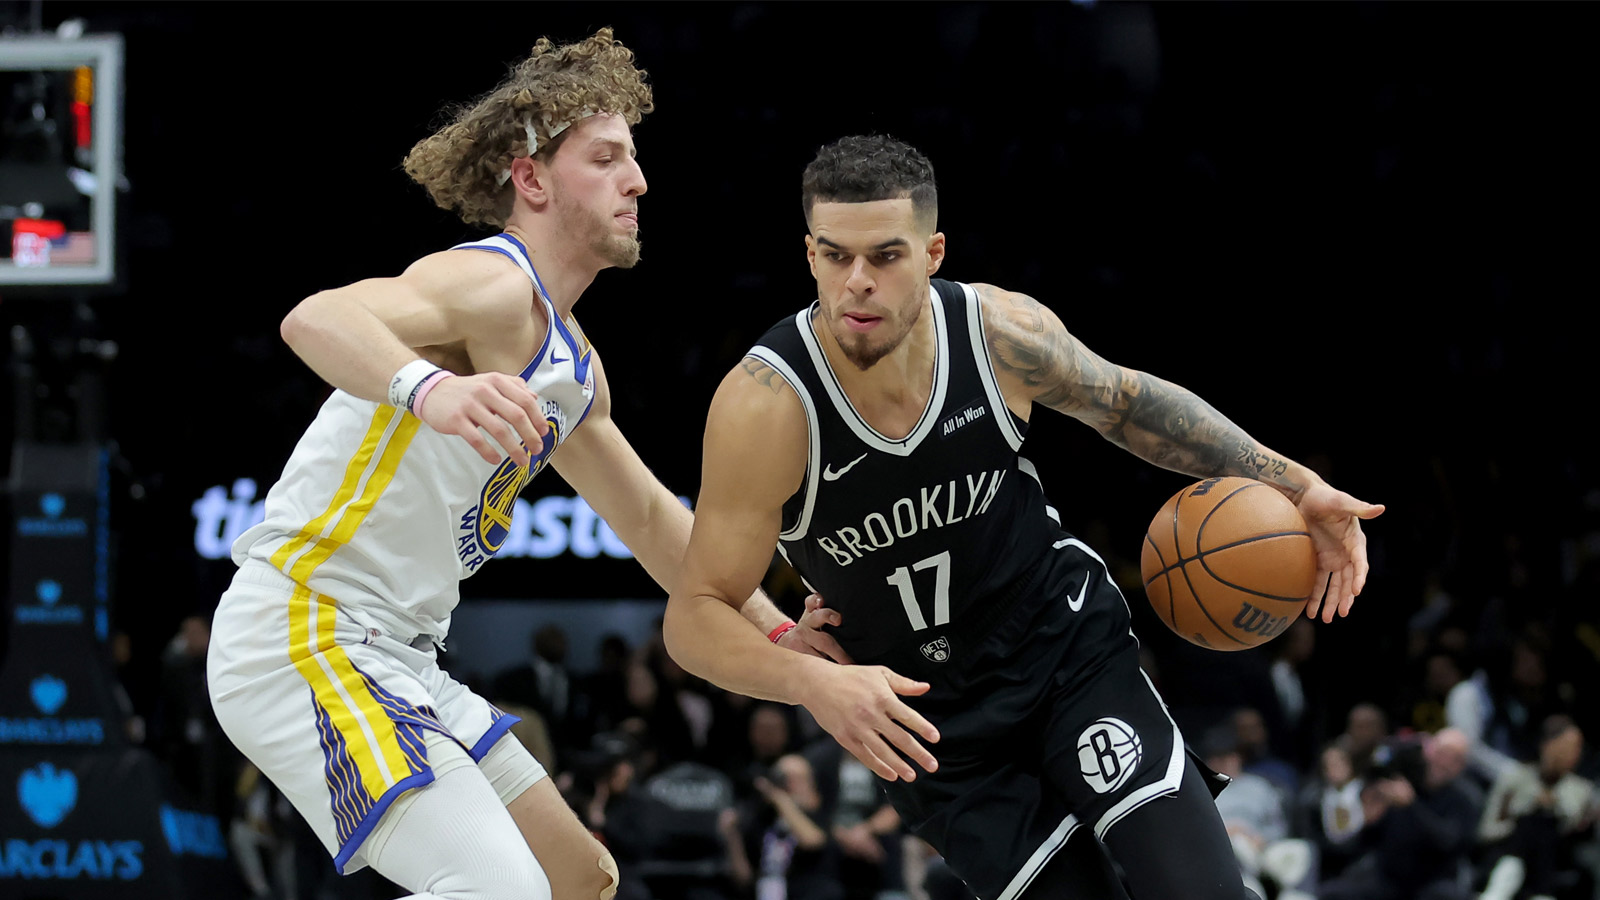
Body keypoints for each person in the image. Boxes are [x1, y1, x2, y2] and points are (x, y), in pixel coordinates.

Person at [662, 134, 1384, 900]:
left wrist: (1296, 484)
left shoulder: (997, 332)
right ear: (809, 255)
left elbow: (1127, 404)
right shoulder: (766, 407)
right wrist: (808, 680)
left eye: (886, 255)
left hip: (1063, 652)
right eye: (836, 256)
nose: (858, 282)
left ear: (933, 253)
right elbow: (696, 614)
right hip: (932, 730)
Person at [205, 30, 840, 900]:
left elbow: (651, 520)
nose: (637, 181)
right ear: (531, 180)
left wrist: (772, 631)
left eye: (634, 159)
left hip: (404, 658)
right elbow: (315, 317)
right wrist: (429, 389)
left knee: (581, 881)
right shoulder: (491, 285)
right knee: (502, 891)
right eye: (606, 158)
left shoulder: (574, 369)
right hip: (304, 630)